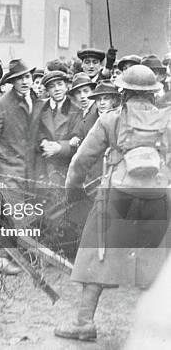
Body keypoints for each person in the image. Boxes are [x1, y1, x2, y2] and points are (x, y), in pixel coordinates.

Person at [54, 65, 171, 341]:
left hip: (117, 195)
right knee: (157, 259)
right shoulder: (168, 120)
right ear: (153, 94)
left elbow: (81, 161)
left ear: (123, 92)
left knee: (97, 254)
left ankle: (84, 322)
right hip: (159, 196)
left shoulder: (110, 120)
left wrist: (73, 190)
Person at [0, 58, 43, 274]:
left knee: (22, 213)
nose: (25, 81)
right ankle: (13, 259)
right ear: (12, 82)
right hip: (9, 167)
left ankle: (8, 258)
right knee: (17, 214)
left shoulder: (37, 100)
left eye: (27, 77)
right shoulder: (1, 104)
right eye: (20, 79)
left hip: (32, 167)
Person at [36, 71, 82, 186]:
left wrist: (61, 148)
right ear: (47, 91)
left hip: (64, 167)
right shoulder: (39, 107)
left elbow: (80, 138)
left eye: (60, 84)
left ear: (67, 86)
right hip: (42, 166)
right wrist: (42, 141)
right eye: (51, 86)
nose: (56, 89)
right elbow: (34, 131)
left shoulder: (77, 110)